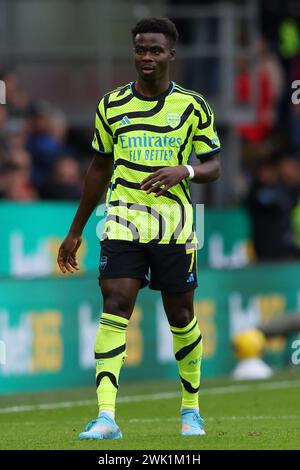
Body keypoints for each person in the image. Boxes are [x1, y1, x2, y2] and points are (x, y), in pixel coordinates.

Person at [57, 17, 221, 439]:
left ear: (171, 54)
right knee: (115, 302)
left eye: (154, 50)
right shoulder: (111, 105)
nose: (146, 57)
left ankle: (190, 411)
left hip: (174, 225)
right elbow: (98, 167)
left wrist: (183, 170)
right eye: (140, 50)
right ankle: (106, 417)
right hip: (122, 219)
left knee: (180, 314)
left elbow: (214, 165)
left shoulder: (193, 105)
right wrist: (76, 230)